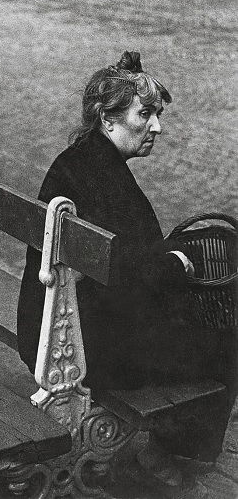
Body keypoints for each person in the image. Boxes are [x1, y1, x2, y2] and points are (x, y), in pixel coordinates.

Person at [16, 51, 234, 486]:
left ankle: (161, 447)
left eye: (158, 114)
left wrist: (161, 264)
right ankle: (180, 458)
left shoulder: (77, 160)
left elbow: (120, 261)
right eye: (146, 114)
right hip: (89, 351)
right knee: (227, 346)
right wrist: (177, 264)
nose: (157, 127)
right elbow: (133, 280)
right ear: (107, 118)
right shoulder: (107, 177)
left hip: (43, 329)